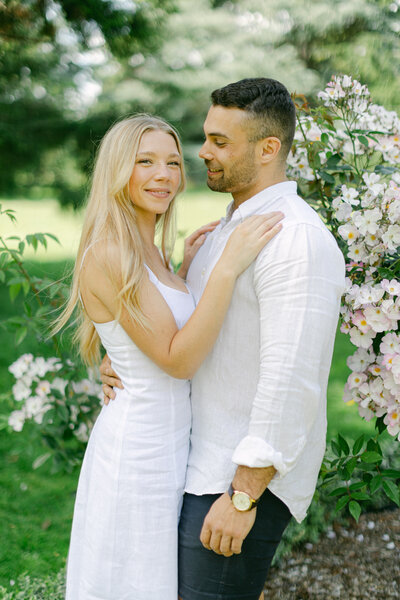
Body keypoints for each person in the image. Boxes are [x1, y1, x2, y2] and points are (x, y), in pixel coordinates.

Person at [101, 78, 346, 599]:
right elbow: (186, 331)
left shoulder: (295, 241)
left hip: (237, 480)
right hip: (195, 463)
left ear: (268, 149)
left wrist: (243, 497)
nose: (202, 153)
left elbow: (293, 380)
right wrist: (123, 359)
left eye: (220, 142)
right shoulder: (226, 232)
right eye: (206, 137)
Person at [54, 113, 283, 600]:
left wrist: (183, 271)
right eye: (145, 162)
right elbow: (177, 361)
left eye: (174, 163)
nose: (164, 175)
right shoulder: (111, 252)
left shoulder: (151, 249)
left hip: (171, 445)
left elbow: (152, 332)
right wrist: (225, 268)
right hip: (136, 453)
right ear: (119, 171)